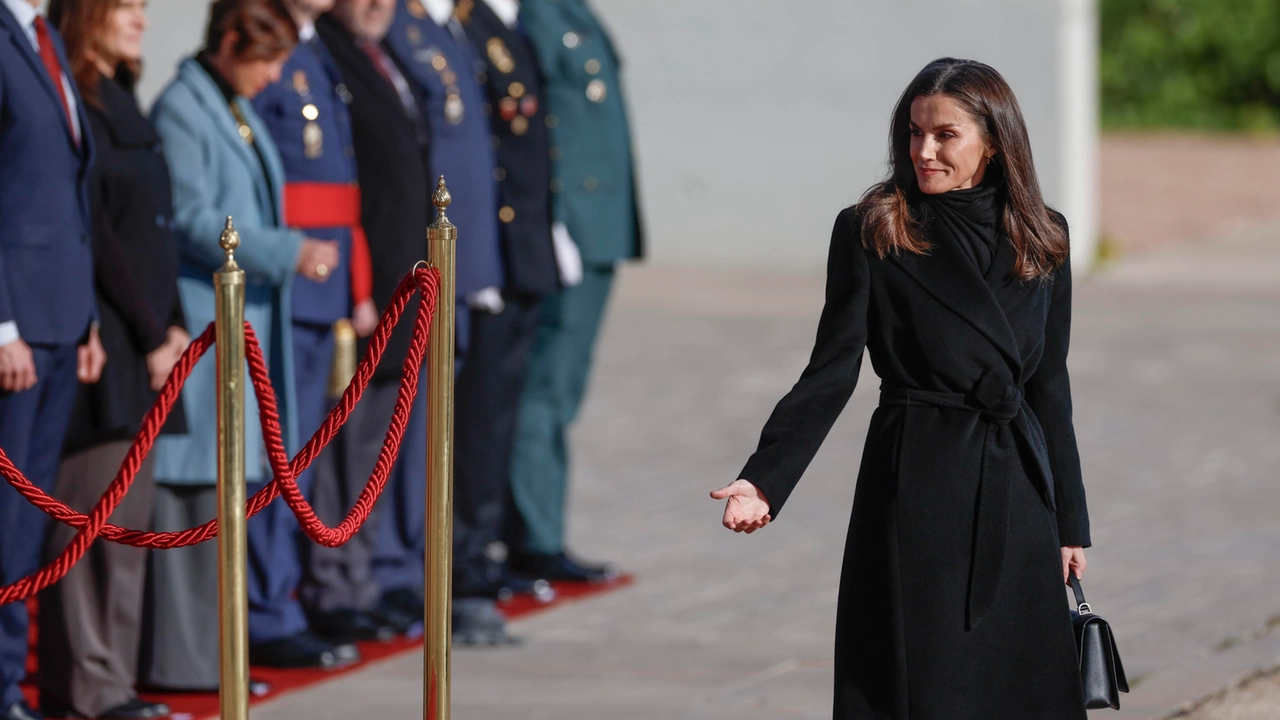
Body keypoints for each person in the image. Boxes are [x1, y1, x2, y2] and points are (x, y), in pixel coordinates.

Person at [713, 58, 1092, 718]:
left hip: (1019, 491)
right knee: (923, 680)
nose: (924, 150)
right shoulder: (876, 228)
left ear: (994, 140)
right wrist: (764, 478)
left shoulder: (1044, 235)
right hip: (919, 483)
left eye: (945, 134)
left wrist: (1070, 523)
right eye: (915, 133)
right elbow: (830, 373)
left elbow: (1049, 385)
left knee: (1020, 681)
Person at [144, 0, 355, 687]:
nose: (272, 78)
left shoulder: (228, 102)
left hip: (246, 328)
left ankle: (216, 656)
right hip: (209, 323)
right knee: (194, 499)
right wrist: (286, 251)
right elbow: (194, 217)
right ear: (230, 41)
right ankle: (188, 664)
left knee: (226, 494)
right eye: (266, 61)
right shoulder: (184, 107)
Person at [36, 0, 185, 717]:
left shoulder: (119, 94)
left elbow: (159, 229)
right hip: (110, 340)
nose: (142, 20)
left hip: (151, 338)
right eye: (127, 5)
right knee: (86, 527)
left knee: (125, 532)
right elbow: (99, 235)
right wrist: (152, 329)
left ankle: (116, 682)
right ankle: (88, 690)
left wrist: (178, 324)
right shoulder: (76, 102)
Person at [251, 0, 405, 645]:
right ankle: (268, 612)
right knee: (276, 459)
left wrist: (359, 283)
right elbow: (263, 177)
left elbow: (343, 192)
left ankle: (286, 601)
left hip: (328, 282)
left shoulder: (310, 47)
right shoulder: (267, 42)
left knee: (305, 463)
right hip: (286, 283)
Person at [384, 0, 537, 644]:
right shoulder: (400, 28)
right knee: (407, 438)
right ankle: (402, 575)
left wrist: (481, 267)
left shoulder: (447, 30)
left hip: (467, 268)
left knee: (452, 432)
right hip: (426, 270)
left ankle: (438, 568)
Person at [506, 0, 641, 583]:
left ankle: (539, 528)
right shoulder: (535, 16)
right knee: (546, 389)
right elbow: (536, 123)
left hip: (598, 230)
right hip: (571, 230)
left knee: (562, 390)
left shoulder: (570, 11)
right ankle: (533, 537)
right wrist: (551, 219)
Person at [0, 0, 104, 716]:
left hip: (61, 319)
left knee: (26, 530)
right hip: (15, 329)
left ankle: (8, 686)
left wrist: (88, 318)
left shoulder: (45, 39)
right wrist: (0, 325)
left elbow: (67, 191)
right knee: (3, 526)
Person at [316, 0, 432, 635]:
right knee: (349, 453)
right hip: (363, 294)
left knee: (382, 452)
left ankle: (371, 579)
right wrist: (359, 284)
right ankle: (342, 588)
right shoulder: (330, 54)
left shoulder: (386, 56)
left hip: (401, 289)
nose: (376, 4)